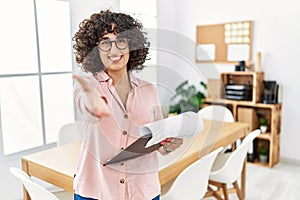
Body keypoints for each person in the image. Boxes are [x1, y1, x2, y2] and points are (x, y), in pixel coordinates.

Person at [72, 10, 183, 200]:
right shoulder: (88, 85)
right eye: (105, 42)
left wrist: (169, 145)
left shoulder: (149, 90)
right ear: (95, 49)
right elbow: (85, 103)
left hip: (141, 191)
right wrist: (94, 106)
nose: (114, 50)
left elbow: (157, 141)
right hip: (95, 190)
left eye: (121, 41)